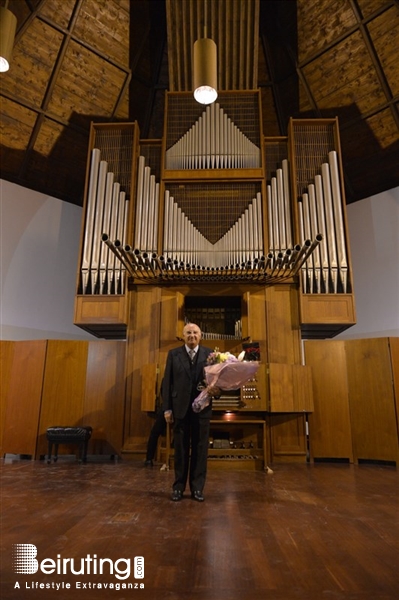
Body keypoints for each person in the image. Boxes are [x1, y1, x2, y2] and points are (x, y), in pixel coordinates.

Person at [162, 322, 218, 502]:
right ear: (183, 336)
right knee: (180, 449)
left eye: (195, 332)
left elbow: (218, 381)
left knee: (201, 450)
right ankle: (178, 487)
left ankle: (197, 489)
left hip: (202, 410)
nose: (192, 335)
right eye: (188, 333)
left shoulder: (210, 355)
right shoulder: (173, 354)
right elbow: (167, 383)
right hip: (180, 409)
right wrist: (167, 408)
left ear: (200, 336)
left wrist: (216, 391)